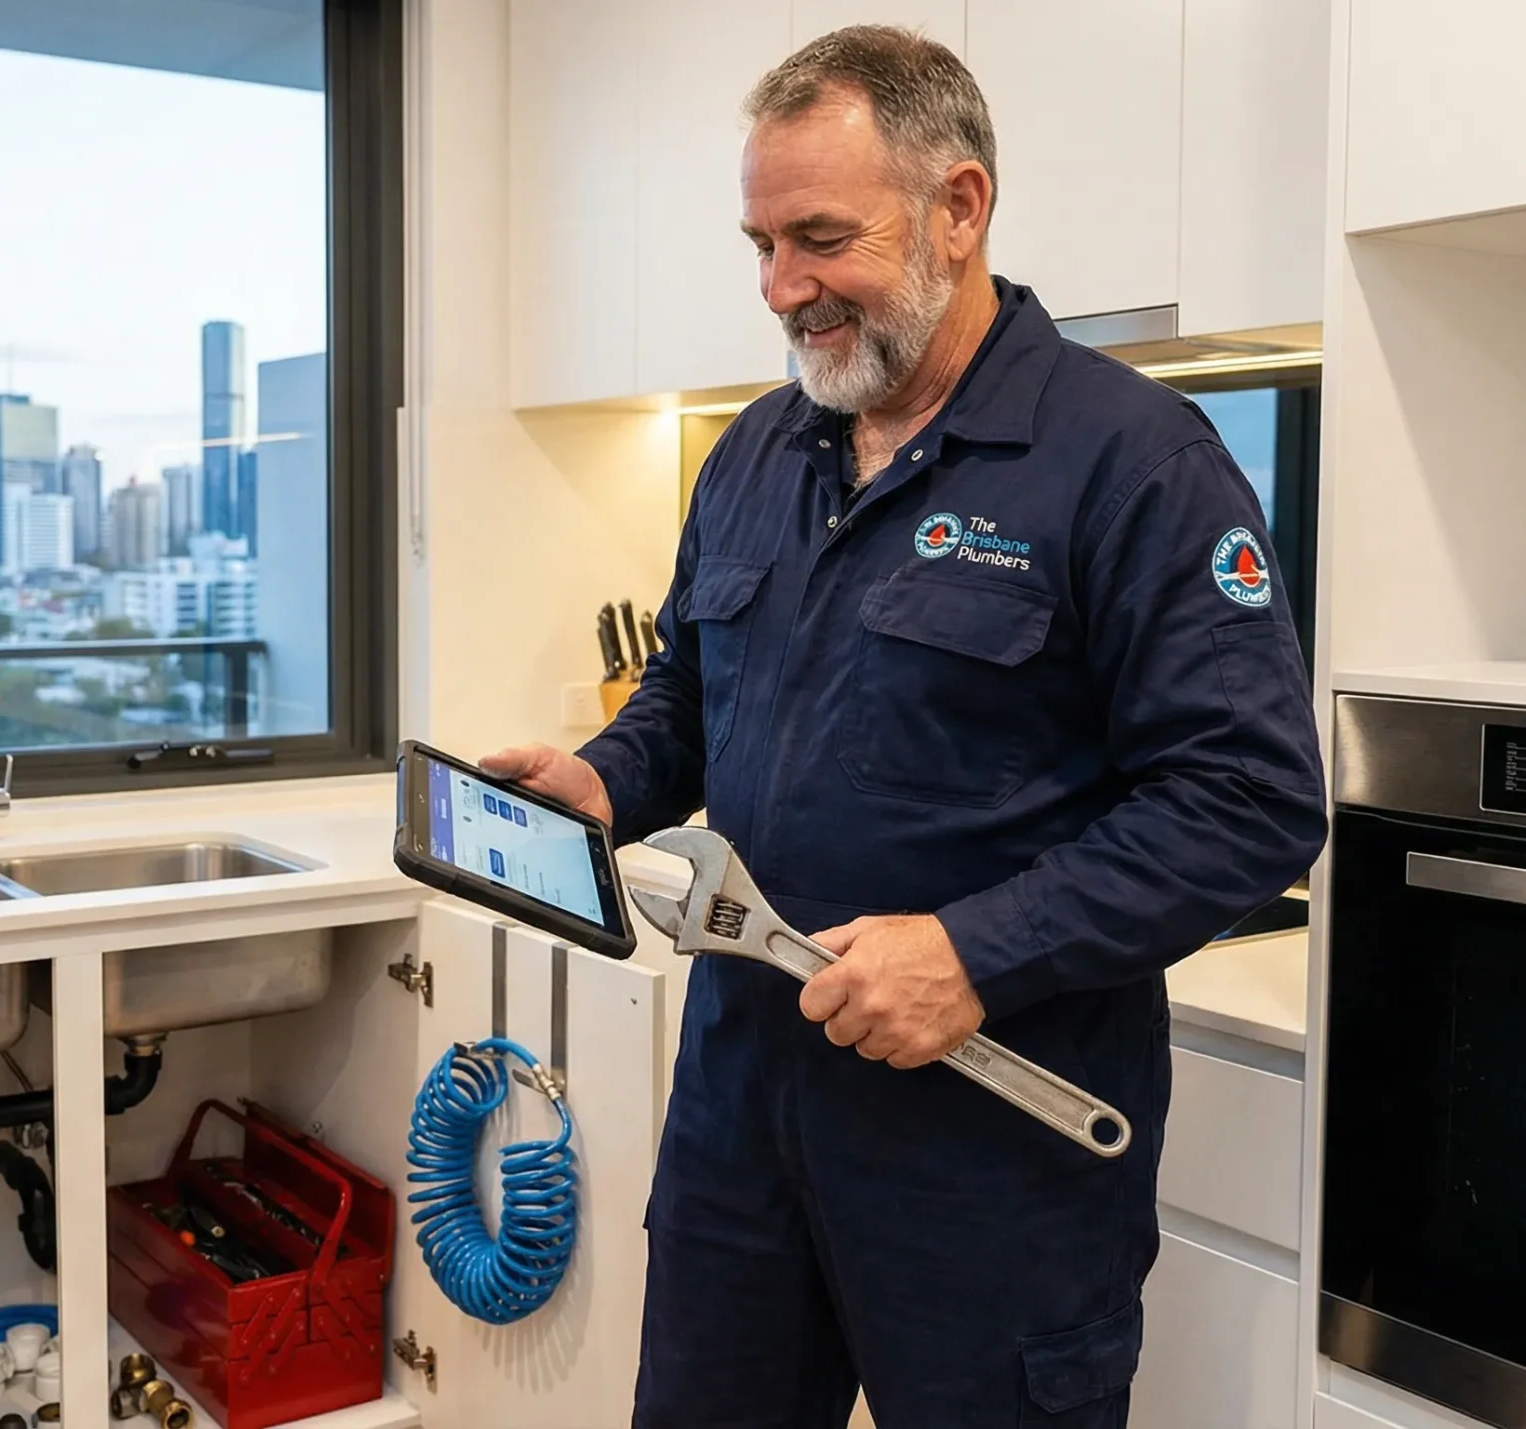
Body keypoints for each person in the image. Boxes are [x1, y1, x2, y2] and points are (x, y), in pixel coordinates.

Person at [483, 25, 1328, 1428]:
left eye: (820, 237)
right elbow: (689, 694)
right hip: (743, 1111)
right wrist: (602, 780)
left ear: (959, 206)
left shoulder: (1136, 463)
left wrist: (975, 953)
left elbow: (1249, 800)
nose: (781, 287)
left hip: (992, 1141)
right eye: (759, 242)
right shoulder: (758, 447)